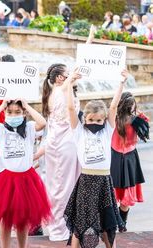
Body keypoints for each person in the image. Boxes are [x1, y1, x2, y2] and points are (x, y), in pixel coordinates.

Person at [64, 69, 128, 248]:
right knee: (81, 223)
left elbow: (114, 107)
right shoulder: (79, 132)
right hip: (86, 181)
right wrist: (69, 84)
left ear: (104, 120)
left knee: (107, 223)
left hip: (104, 181)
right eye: (91, 120)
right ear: (85, 118)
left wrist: (121, 83)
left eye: (99, 120)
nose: (95, 123)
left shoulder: (107, 130)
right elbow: (70, 108)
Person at [0, 99, 52, 248]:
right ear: (5, 113)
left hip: (26, 180)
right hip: (6, 180)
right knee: (6, 220)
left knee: (22, 221)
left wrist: (27, 106)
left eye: (17, 112)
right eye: (10, 112)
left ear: (23, 113)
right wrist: (2, 107)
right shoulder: (1, 129)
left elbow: (42, 122)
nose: (13, 115)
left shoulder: (30, 128)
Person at [41, 63, 81, 241]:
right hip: (62, 144)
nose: (70, 75)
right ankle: (58, 228)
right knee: (61, 187)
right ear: (59, 78)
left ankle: (64, 224)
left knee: (65, 185)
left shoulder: (61, 90)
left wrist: (90, 38)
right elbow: (74, 73)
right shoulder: (60, 91)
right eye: (66, 74)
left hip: (65, 142)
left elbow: (77, 65)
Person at [111, 92, 149, 232]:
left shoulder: (114, 119)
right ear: (131, 106)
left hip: (114, 157)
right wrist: (139, 113)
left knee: (113, 193)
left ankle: (114, 223)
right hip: (130, 159)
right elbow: (146, 124)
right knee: (127, 193)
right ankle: (123, 224)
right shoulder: (136, 120)